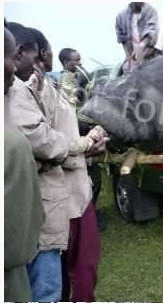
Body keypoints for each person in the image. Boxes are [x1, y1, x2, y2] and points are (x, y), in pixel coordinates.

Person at [28, 29, 109, 301]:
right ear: (43, 53)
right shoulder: (34, 90)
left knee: (71, 264)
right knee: (72, 266)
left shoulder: (50, 86)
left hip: (73, 188)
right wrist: (87, 144)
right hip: (62, 195)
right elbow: (48, 143)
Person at [7, 22, 70, 302]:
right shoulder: (16, 93)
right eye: (35, 57)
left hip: (27, 227)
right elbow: (43, 140)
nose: (38, 64)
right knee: (44, 289)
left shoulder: (24, 89)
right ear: (18, 54)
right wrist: (77, 145)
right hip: (33, 224)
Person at [3, 22, 45, 302]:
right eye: (10, 57)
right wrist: (83, 144)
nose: (14, 68)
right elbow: (18, 247)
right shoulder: (11, 145)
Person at [59, 46, 107, 232]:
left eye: (80, 59)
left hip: (84, 128)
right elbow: (74, 103)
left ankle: (90, 215)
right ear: (65, 63)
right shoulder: (65, 80)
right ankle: (87, 218)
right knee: (90, 176)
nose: (80, 63)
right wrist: (81, 87)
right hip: (77, 131)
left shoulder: (77, 77)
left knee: (92, 176)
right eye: (76, 60)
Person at [116, 2, 160, 73]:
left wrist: (142, 46)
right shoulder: (121, 16)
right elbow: (122, 39)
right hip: (132, 57)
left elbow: (152, 31)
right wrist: (129, 57)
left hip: (150, 56)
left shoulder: (150, 11)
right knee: (125, 71)